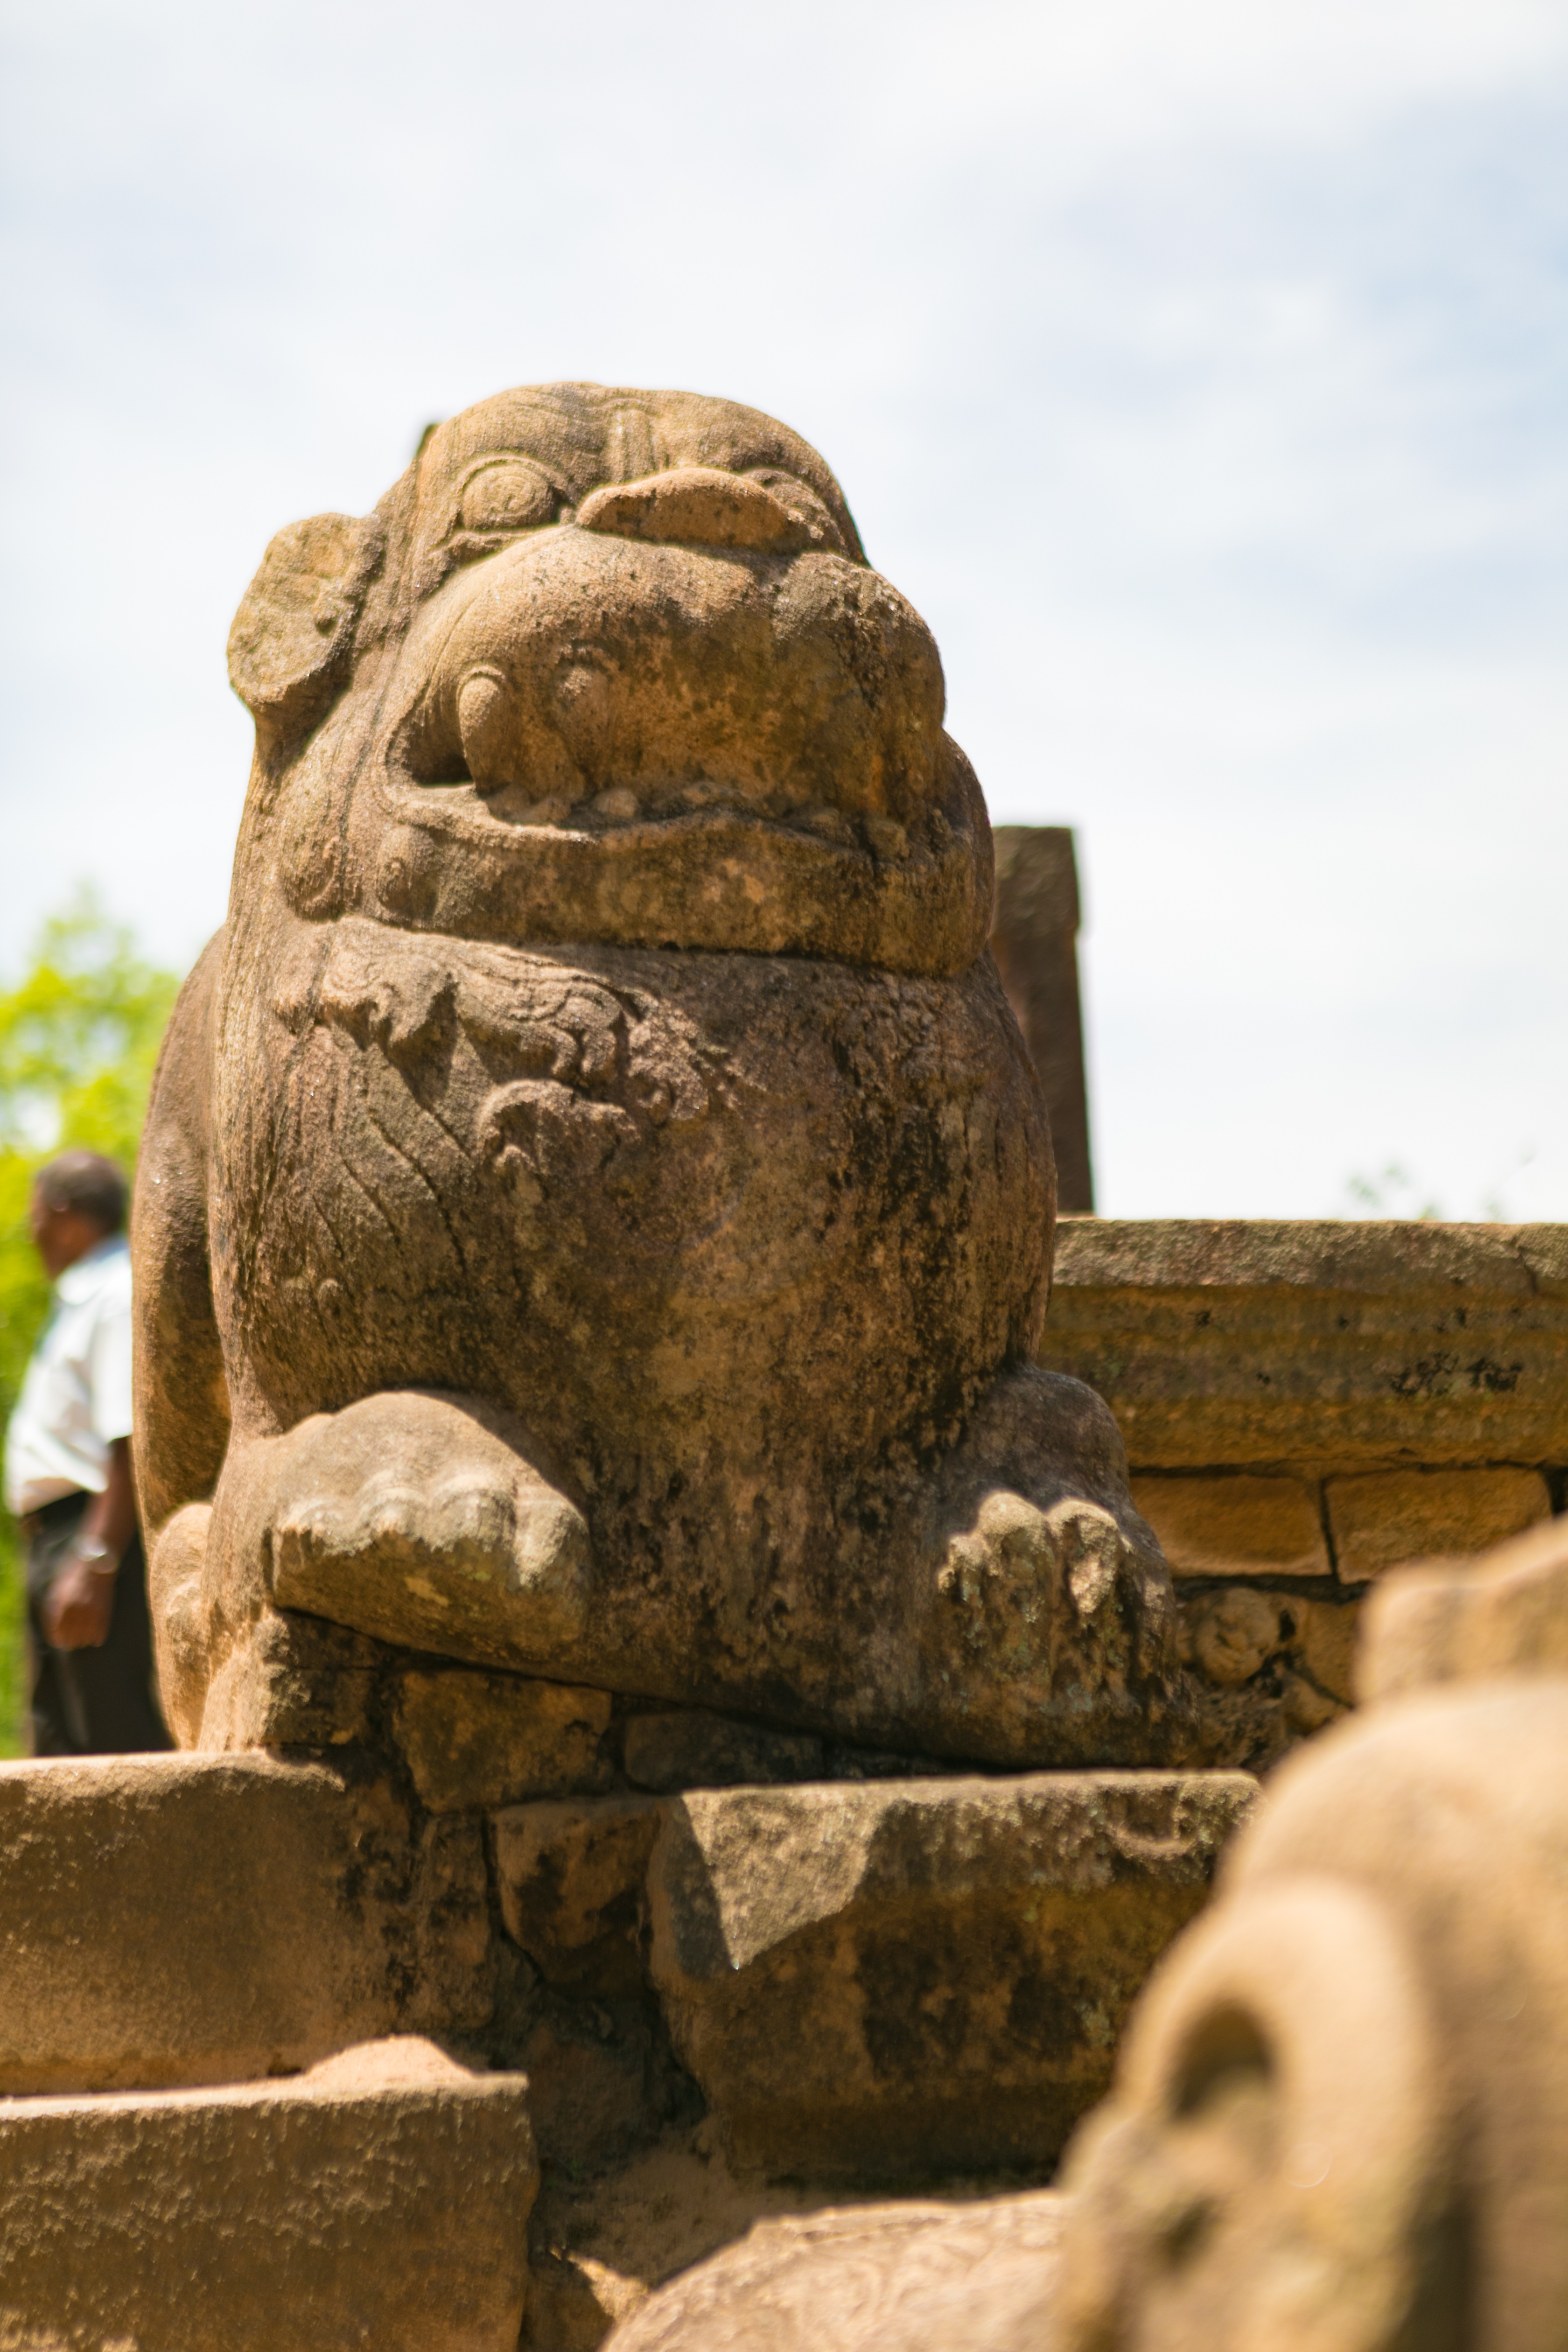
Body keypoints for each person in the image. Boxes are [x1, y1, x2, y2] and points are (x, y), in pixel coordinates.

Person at [4, 1149, 169, 1754]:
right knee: (56, 1742)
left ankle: (162, 1854)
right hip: (56, 1542)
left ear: (61, 1210)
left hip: (94, 1535)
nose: (31, 1231)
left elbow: (129, 1437)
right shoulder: (81, 1299)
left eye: (35, 1213)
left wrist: (97, 1559)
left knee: (113, 1739)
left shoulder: (114, 1293)